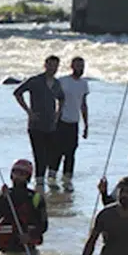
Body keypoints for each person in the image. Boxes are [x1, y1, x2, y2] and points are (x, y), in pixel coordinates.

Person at [13, 55, 64, 186]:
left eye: (56, 66)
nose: (53, 68)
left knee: (54, 153)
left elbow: (62, 98)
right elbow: (17, 93)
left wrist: (58, 113)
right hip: (35, 125)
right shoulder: (35, 81)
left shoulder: (57, 83)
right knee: (39, 154)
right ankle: (39, 181)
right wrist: (28, 111)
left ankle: (51, 179)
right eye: (51, 65)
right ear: (45, 65)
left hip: (51, 125)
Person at [0, 159, 48, 255]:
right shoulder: (2, 195)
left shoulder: (35, 198)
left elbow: (43, 225)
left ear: (28, 177)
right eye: (15, 172)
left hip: (27, 249)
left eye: (22, 174)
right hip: (6, 249)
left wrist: (30, 236)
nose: (18, 176)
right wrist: (2, 198)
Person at [53, 56, 89, 191]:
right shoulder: (63, 81)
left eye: (82, 66)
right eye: (78, 66)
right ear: (72, 67)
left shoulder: (84, 84)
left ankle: (67, 180)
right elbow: (53, 98)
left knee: (71, 152)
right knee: (57, 151)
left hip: (74, 122)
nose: (80, 69)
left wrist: (86, 125)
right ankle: (52, 177)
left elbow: (83, 105)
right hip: (61, 121)